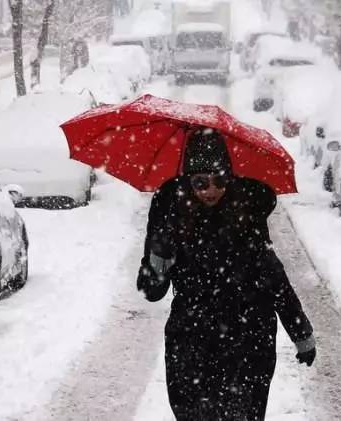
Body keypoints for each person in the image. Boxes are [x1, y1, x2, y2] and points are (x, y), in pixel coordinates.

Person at [136, 127, 316, 420]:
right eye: (201, 182)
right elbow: (152, 291)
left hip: (248, 341)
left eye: (220, 180)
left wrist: (301, 333)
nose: (211, 190)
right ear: (188, 181)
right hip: (191, 341)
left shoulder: (246, 214)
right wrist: (159, 254)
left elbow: (274, 278)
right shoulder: (170, 214)